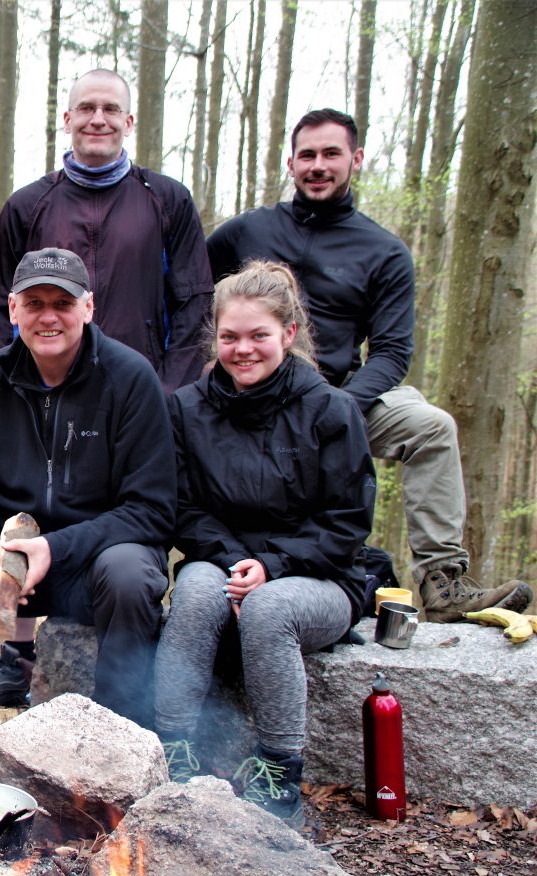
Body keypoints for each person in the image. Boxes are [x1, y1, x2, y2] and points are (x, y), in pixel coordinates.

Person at [206, 108, 531, 623]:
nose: (318, 165)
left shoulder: (384, 252)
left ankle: (443, 581)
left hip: (340, 394)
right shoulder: (243, 233)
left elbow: (393, 353)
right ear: (290, 162)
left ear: (355, 159)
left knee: (431, 426)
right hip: (247, 398)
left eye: (331, 154)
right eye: (307, 155)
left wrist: (336, 409)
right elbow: (194, 303)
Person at [0, 68, 214, 705]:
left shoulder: (166, 201)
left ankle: (119, 696)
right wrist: (0, 390)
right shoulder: (29, 204)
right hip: (33, 390)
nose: (98, 118)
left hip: (134, 397)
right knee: (18, 512)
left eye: (111, 109)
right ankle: (15, 654)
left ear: (130, 122)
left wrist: (168, 396)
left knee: (122, 542)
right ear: (67, 120)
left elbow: (193, 306)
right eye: (85, 109)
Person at [0, 248, 175, 739]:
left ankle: (118, 733)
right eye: (34, 303)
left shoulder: (131, 379)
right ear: (13, 310)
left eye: (63, 302)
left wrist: (55, 547)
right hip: (4, 568)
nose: (48, 316)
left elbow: (153, 510)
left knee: (131, 572)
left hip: (89, 567)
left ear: (88, 308)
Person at [153, 260, 377, 829]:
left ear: (289, 335)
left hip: (321, 578)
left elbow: (348, 525)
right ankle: (172, 749)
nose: (243, 350)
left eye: (259, 336)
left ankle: (280, 769)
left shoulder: (331, 410)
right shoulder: (186, 409)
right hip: (225, 561)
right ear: (215, 339)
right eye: (230, 337)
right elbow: (181, 509)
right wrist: (237, 561)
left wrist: (272, 566)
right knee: (198, 589)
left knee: (269, 608)